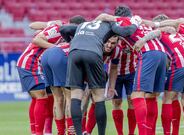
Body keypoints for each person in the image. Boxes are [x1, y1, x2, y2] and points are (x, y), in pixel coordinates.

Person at [60, 15, 141, 135]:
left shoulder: (84, 24)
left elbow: (63, 29)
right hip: (93, 53)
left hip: (74, 53)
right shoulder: (110, 25)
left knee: (76, 96)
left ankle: (78, 133)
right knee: (98, 97)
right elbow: (127, 31)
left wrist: (70, 41)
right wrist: (136, 22)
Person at [96, 6, 167, 135]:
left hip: (147, 54)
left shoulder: (121, 22)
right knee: (152, 97)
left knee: (136, 96)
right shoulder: (139, 22)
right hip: (161, 53)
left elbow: (102, 17)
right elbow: (160, 30)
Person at [40, 16, 86, 135]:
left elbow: (36, 30)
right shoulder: (83, 37)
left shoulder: (66, 34)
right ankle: (70, 132)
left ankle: (60, 132)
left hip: (46, 54)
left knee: (57, 99)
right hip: (61, 55)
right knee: (69, 98)